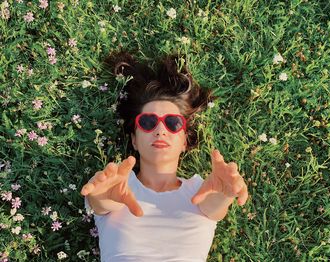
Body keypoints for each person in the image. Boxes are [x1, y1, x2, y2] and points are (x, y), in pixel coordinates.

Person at [80, 50, 249, 262]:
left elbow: (215, 204)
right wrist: (101, 196)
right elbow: (103, 202)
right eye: (148, 122)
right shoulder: (116, 184)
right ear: (134, 139)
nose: (160, 130)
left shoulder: (202, 190)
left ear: (184, 141)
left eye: (172, 123)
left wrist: (225, 193)